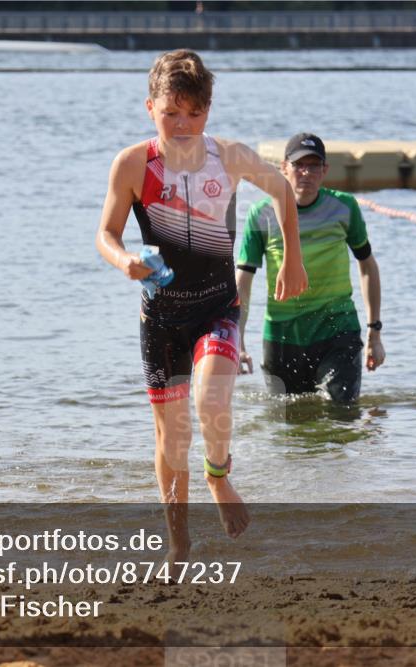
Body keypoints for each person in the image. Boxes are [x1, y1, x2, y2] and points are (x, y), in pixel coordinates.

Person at [96, 50, 308, 560]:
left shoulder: (228, 157)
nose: (183, 125)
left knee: (211, 402)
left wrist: (292, 260)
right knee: (172, 440)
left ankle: (218, 476)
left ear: (208, 111)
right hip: (161, 318)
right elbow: (106, 233)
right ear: (150, 107)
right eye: (171, 113)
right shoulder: (133, 164)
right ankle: (178, 539)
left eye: (194, 113)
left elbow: (281, 190)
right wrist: (124, 260)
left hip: (217, 307)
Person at [236, 133, 385, 404]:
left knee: (342, 413)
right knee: (286, 420)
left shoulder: (344, 207)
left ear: (325, 170)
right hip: (282, 336)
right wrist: (238, 340)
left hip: (337, 329)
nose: (306, 172)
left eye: (314, 165)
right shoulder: (260, 214)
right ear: (283, 168)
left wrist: (374, 332)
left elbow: (367, 266)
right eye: (299, 165)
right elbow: (243, 281)